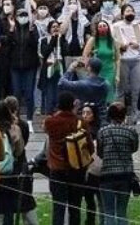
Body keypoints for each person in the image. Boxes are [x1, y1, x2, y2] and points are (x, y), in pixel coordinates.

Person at [44, 91, 84, 225]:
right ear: (73, 105)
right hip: (76, 168)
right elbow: (88, 145)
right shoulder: (79, 122)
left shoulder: (50, 122)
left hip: (57, 168)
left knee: (58, 207)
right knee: (75, 207)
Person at [97, 102, 138, 225]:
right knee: (122, 211)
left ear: (109, 115)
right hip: (125, 175)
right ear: (124, 115)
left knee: (108, 211)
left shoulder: (102, 132)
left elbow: (100, 153)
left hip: (107, 175)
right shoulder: (131, 131)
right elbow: (134, 148)